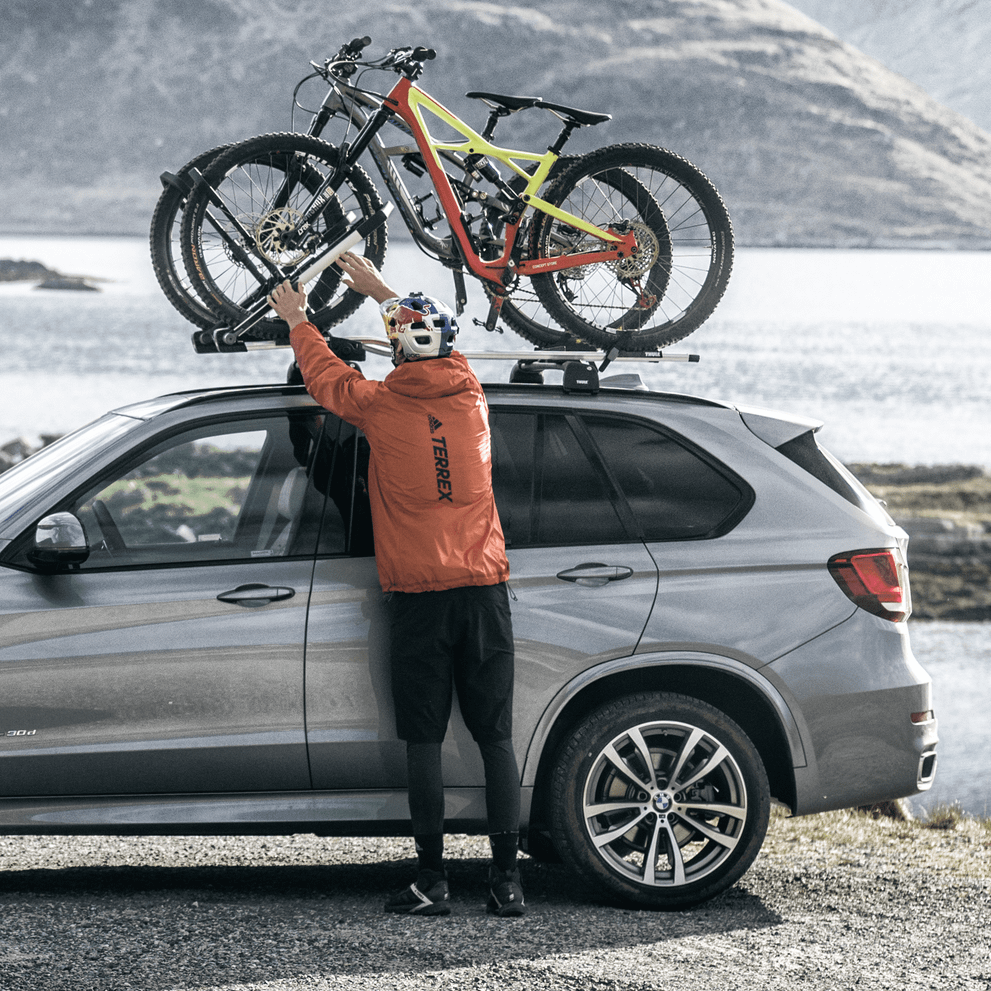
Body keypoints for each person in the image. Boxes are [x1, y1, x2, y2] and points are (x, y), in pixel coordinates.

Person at [268, 255, 524, 918]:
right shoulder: (471, 395)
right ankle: (505, 881)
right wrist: (383, 292)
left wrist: (298, 319)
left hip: (419, 599)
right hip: (484, 592)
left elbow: (326, 379)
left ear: (398, 356)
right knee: (495, 738)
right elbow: (430, 334)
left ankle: (432, 879)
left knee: (423, 740)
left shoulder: (380, 406)